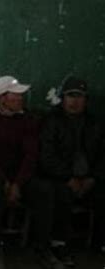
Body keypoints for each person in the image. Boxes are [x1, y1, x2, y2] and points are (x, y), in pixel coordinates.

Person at [0, 76, 62, 269]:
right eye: (16, 95)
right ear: (2, 98)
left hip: (20, 177)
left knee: (44, 190)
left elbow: (31, 154)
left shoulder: (27, 119)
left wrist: (17, 183)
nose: (21, 98)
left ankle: (43, 249)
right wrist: (4, 182)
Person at [39, 76, 105, 267]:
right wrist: (69, 178)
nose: (75, 101)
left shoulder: (95, 123)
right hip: (61, 178)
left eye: (80, 96)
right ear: (63, 98)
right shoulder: (51, 121)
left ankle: (98, 244)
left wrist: (92, 178)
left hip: (89, 179)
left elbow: (102, 155)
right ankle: (58, 245)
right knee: (59, 193)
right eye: (71, 96)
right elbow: (47, 157)